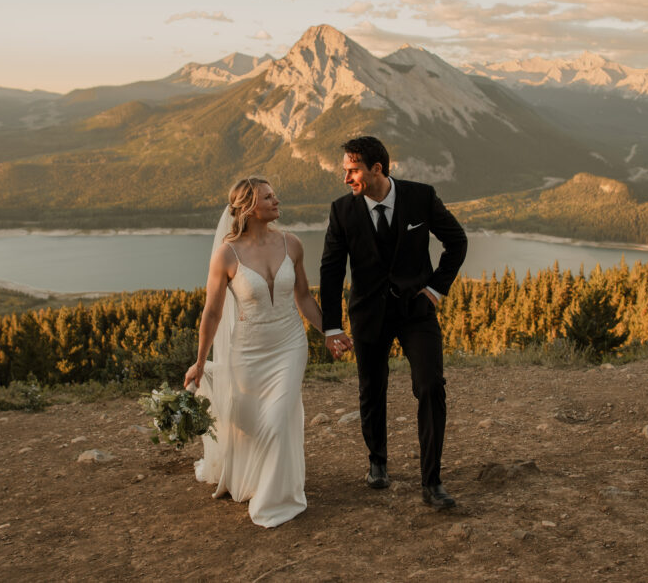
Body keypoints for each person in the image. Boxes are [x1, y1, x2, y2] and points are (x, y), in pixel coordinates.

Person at [320, 136, 467, 510]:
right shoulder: (342, 211)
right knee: (372, 388)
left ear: (377, 169)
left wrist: (435, 289)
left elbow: (457, 241)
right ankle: (377, 462)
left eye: (352, 170)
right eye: (345, 171)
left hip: (417, 311)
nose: (346, 178)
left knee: (430, 385)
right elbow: (332, 270)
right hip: (369, 314)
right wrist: (332, 326)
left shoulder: (421, 197)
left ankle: (432, 482)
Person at [184, 177, 322, 528]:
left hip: (290, 343)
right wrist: (200, 362)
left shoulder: (292, 243)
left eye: (275, 194)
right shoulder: (227, 254)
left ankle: (276, 500)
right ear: (248, 207)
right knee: (252, 423)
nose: (277, 200)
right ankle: (255, 479)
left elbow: (304, 296)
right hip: (248, 350)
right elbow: (212, 313)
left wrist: (331, 331)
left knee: (277, 419)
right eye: (268, 196)